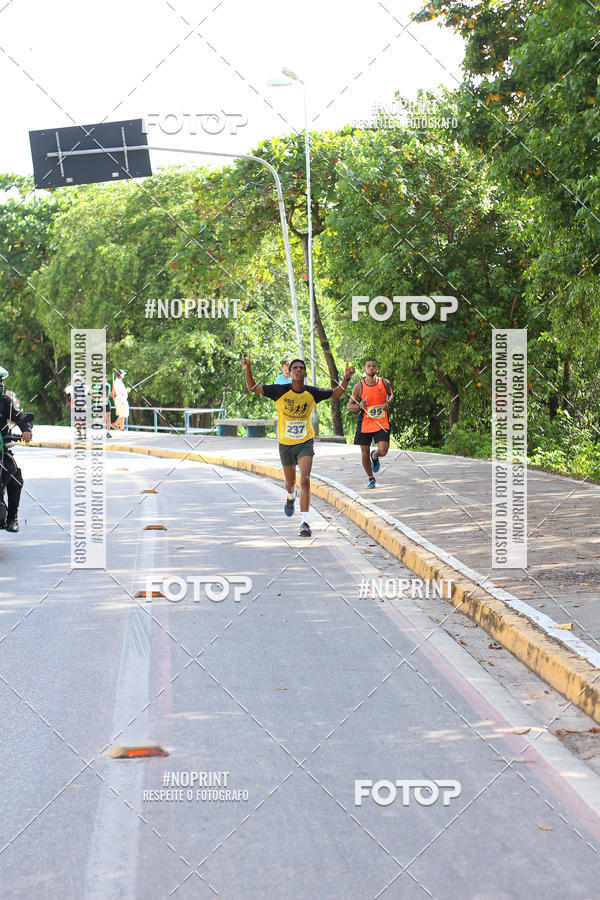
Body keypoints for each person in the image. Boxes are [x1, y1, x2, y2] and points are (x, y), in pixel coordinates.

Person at [241, 353, 354, 537]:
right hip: (285, 444)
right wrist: (247, 368)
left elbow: (337, 393)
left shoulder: (312, 392)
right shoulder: (279, 391)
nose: (298, 370)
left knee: (305, 479)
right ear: (290, 373)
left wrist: (347, 378)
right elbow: (253, 387)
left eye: (301, 368)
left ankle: (304, 522)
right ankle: (290, 496)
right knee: (290, 483)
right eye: (295, 368)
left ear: (305, 373)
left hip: (305, 442)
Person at [348, 358, 393, 488]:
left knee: (383, 450)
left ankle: (376, 455)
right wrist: (359, 405)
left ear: (377, 369)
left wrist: (388, 402)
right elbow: (349, 405)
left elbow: (391, 395)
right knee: (364, 453)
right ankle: (371, 478)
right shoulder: (359, 387)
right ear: (364, 369)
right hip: (365, 422)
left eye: (374, 366)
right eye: (369, 366)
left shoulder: (385, 383)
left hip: (381, 421)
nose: (371, 368)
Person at [0, 366, 33, 532]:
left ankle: (12, 517)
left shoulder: (5, 402)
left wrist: (26, 429)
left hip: (1, 449)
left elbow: (20, 418)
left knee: (15, 477)